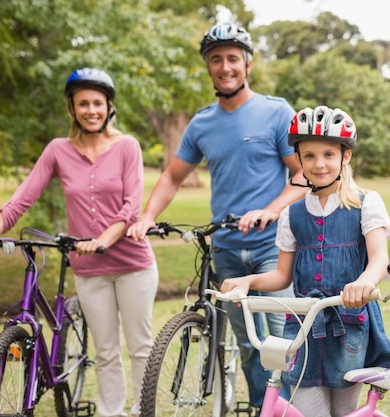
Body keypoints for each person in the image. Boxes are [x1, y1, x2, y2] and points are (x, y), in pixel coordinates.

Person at [126, 23, 305, 410]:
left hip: (271, 249)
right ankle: (264, 410)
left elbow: (303, 174)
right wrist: (147, 216)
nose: (225, 67)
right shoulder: (202, 123)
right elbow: (173, 175)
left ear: (248, 64)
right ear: (208, 66)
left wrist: (271, 209)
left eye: (233, 59)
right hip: (225, 253)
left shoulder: (275, 112)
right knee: (247, 346)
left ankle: (293, 410)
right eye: (216, 59)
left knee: (279, 342)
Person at [0, 67, 159, 417]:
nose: (91, 110)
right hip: (89, 269)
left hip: (133, 265)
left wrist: (101, 239)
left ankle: (142, 412)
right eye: (83, 103)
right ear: (72, 108)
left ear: (109, 107)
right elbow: (23, 197)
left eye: (97, 103)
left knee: (141, 347)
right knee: (104, 351)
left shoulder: (127, 146)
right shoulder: (58, 149)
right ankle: (110, 413)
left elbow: (131, 206)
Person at [220, 106, 390, 417]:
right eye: (310, 155)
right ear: (299, 161)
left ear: (346, 157)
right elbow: (281, 276)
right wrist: (247, 282)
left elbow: (379, 259)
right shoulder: (292, 213)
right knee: (309, 409)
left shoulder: (366, 203)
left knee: (345, 411)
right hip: (302, 329)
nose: (319, 164)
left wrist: (365, 282)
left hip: (349, 327)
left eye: (329, 154)